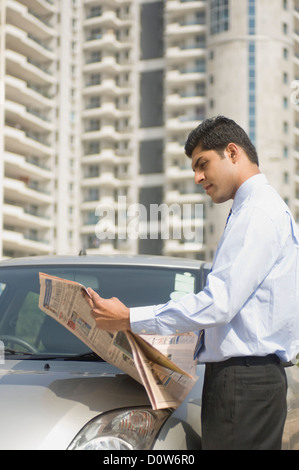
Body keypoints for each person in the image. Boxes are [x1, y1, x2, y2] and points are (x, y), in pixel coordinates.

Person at [84, 116, 299, 450]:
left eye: (203, 164)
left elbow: (220, 303)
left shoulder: (257, 212)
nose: (198, 178)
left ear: (232, 153)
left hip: (244, 383)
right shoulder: (258, 209)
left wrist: (129, 318)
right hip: (246, 381)